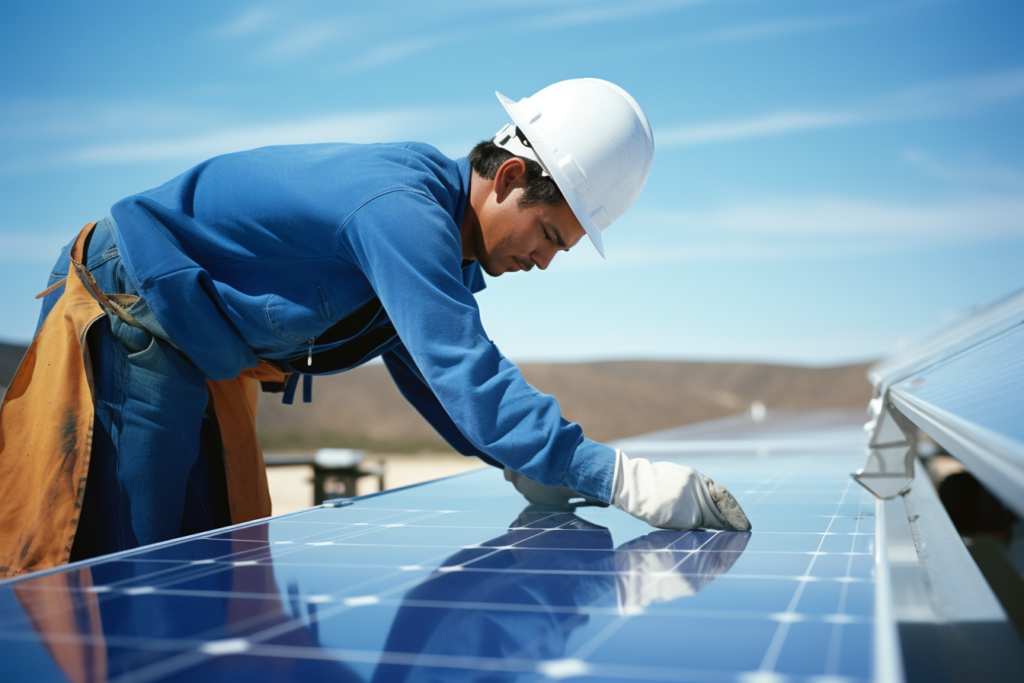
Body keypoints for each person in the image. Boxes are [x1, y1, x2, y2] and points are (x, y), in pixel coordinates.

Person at [0, 79, 749, 577]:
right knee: (132, 562)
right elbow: (468, 372)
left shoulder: (434, 244)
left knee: (207, 552)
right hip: (138, 313)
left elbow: (436, 382)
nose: (543, 262)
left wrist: (522, 461)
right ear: (512, 179)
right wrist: (613, 475)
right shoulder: (402, 210)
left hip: (195, 348)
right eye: (549, 236)